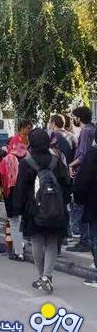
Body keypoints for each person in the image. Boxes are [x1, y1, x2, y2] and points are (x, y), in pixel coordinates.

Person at [12, 129, 71, 293]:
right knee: (52, 242)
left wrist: (17, 208)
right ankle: (47, 276)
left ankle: (41, 276)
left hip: (33, 210)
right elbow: (66, 184)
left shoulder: (26, 162)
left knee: (37, 242)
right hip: (55, 210)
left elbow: (20, 188)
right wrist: (62, 203)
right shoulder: (55, 161)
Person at [67, 106, 96, 253]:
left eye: (74, 117)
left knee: (80, 206)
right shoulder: (93, 129)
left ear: (79, 118)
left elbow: (83, 155)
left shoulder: (85, 131)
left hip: (82, 173)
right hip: (91, 174)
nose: (73, 120)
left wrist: (70, 165)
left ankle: (84, 241)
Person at [74, 133, 97, 287]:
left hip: (94, 203)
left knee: (95, 237)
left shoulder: (93, 155)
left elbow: (83, 180)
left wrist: (79, 199)